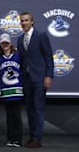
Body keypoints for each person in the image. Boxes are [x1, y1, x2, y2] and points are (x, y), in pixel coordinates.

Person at [17, 12, 54, 148]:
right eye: (22, 21)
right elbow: (22, 59)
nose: (24, 23)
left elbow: (48, 57)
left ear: (32, 22)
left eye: (26, 20)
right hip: (26, 79)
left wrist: (48, 76)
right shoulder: (20, 39)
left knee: (38, 108)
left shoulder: (41, 35)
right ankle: (32, 136)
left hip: (39, 78)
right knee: (30, 109)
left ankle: (37, 138)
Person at [0, 33, 23, 147]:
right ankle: (10, 138)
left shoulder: (18, 55)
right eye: (3, 43)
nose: (5, 45)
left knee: (17, 116)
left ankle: (17, 139)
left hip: (17, 90)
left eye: (7, 43)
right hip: (6, 91)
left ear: (10, 43)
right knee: (9, 116)